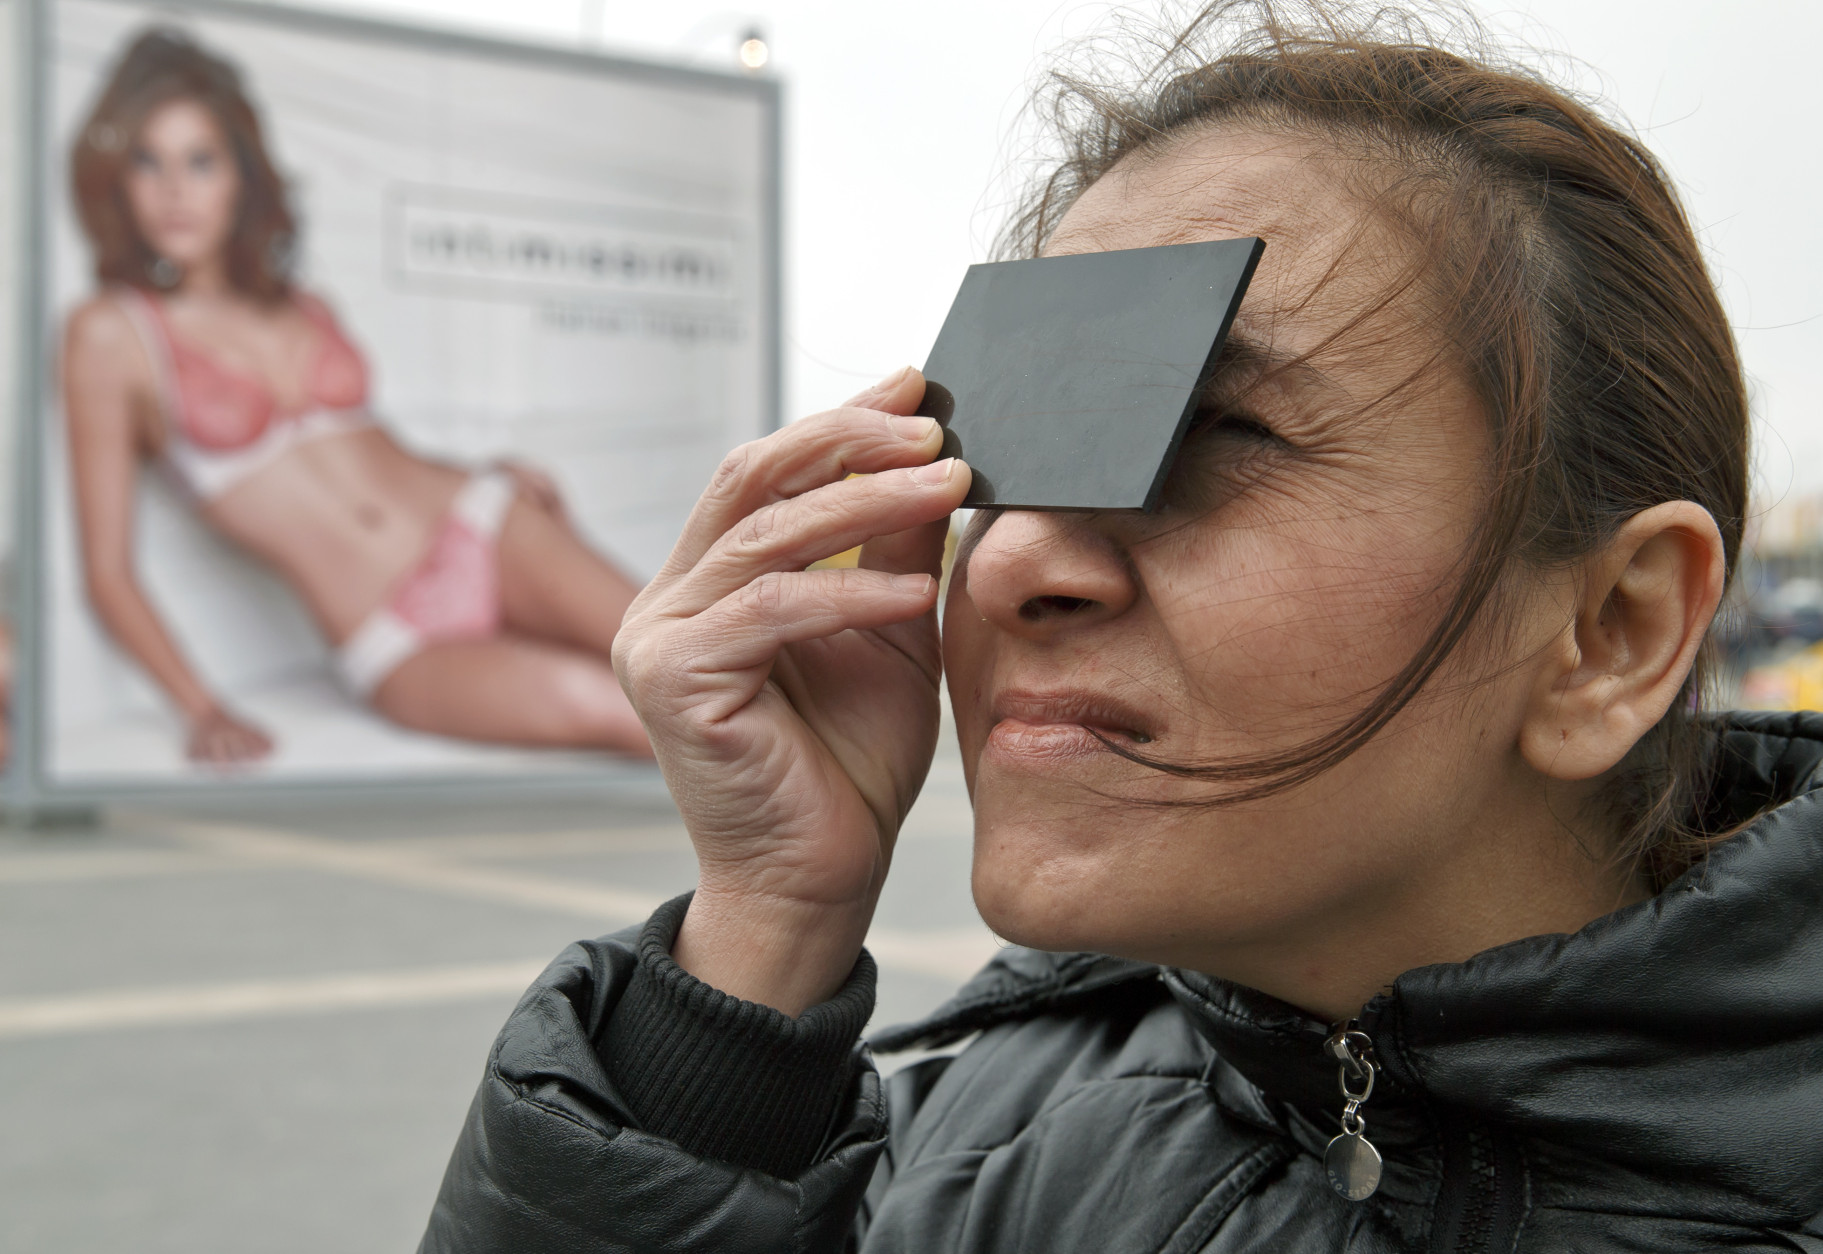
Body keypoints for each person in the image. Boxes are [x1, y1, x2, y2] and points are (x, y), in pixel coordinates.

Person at [420, 3, 1823, 1249]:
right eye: (1009, 449)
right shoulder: (979, 1136)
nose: (1007, 557)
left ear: (1610, 630)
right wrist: (754, 952)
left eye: (1218, 434)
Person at [62, 28, 650, 764]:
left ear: (239, 176)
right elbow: (107, 572)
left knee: (684, 652)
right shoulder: (109, 334)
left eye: (200, 161)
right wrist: (200, 708)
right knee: (624, 714)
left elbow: (367, 448)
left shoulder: (302, 305)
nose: (174, 190)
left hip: (482, 521)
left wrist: (486, 469)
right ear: (118, 177)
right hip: (390, 634)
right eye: (148, 162)